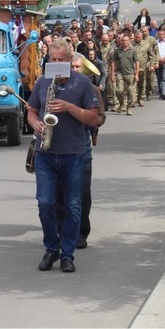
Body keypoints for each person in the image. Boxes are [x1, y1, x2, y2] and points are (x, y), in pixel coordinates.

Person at [28, 39, 99, 272]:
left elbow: (94, 118)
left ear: (70, 60)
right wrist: (36, 123)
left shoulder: (83, 83)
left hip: (73, 153)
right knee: (45, 202)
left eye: (60, 60)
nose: (56, 63)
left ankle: (67, 254)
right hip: (45, 152)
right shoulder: (42, 81)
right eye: (52, 60)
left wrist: (70, 108)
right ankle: (51, 248)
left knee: (73, 205)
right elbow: (32, 111)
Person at [56, 54, 107, 249]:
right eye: (73, 67)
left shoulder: (91, 89)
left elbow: (100, 118)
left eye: (79, 67)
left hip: (82, 146)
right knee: (58, 193)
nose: (75, 70)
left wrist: (83, 115)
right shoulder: (57, 88)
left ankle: (81, 232)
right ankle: (61, 231)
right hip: (59, 145)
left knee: (82, 193)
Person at [109, 32, 139, 115]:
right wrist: (112, 74)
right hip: (120, 73)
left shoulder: (133, 50)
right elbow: (113, 62)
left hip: (130, 73)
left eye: (126, 40)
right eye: (123, 40)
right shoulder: (117, 51)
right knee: (119, 90)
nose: (124, 42)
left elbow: (137, 62)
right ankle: (121, 104)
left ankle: (129, 108)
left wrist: (136, 74)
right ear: (120, 41)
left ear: (129, 41)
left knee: (131, 92)